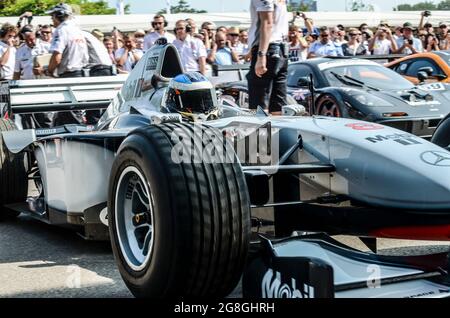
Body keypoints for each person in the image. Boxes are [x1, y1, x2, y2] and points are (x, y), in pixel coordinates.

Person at [246, 0, 289, 116]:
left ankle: (260, 134)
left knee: (257, 105)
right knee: (277, 105)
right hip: (281, 49)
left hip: (268, 48)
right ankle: (277, 133)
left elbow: (267, 23)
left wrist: (261, 55)